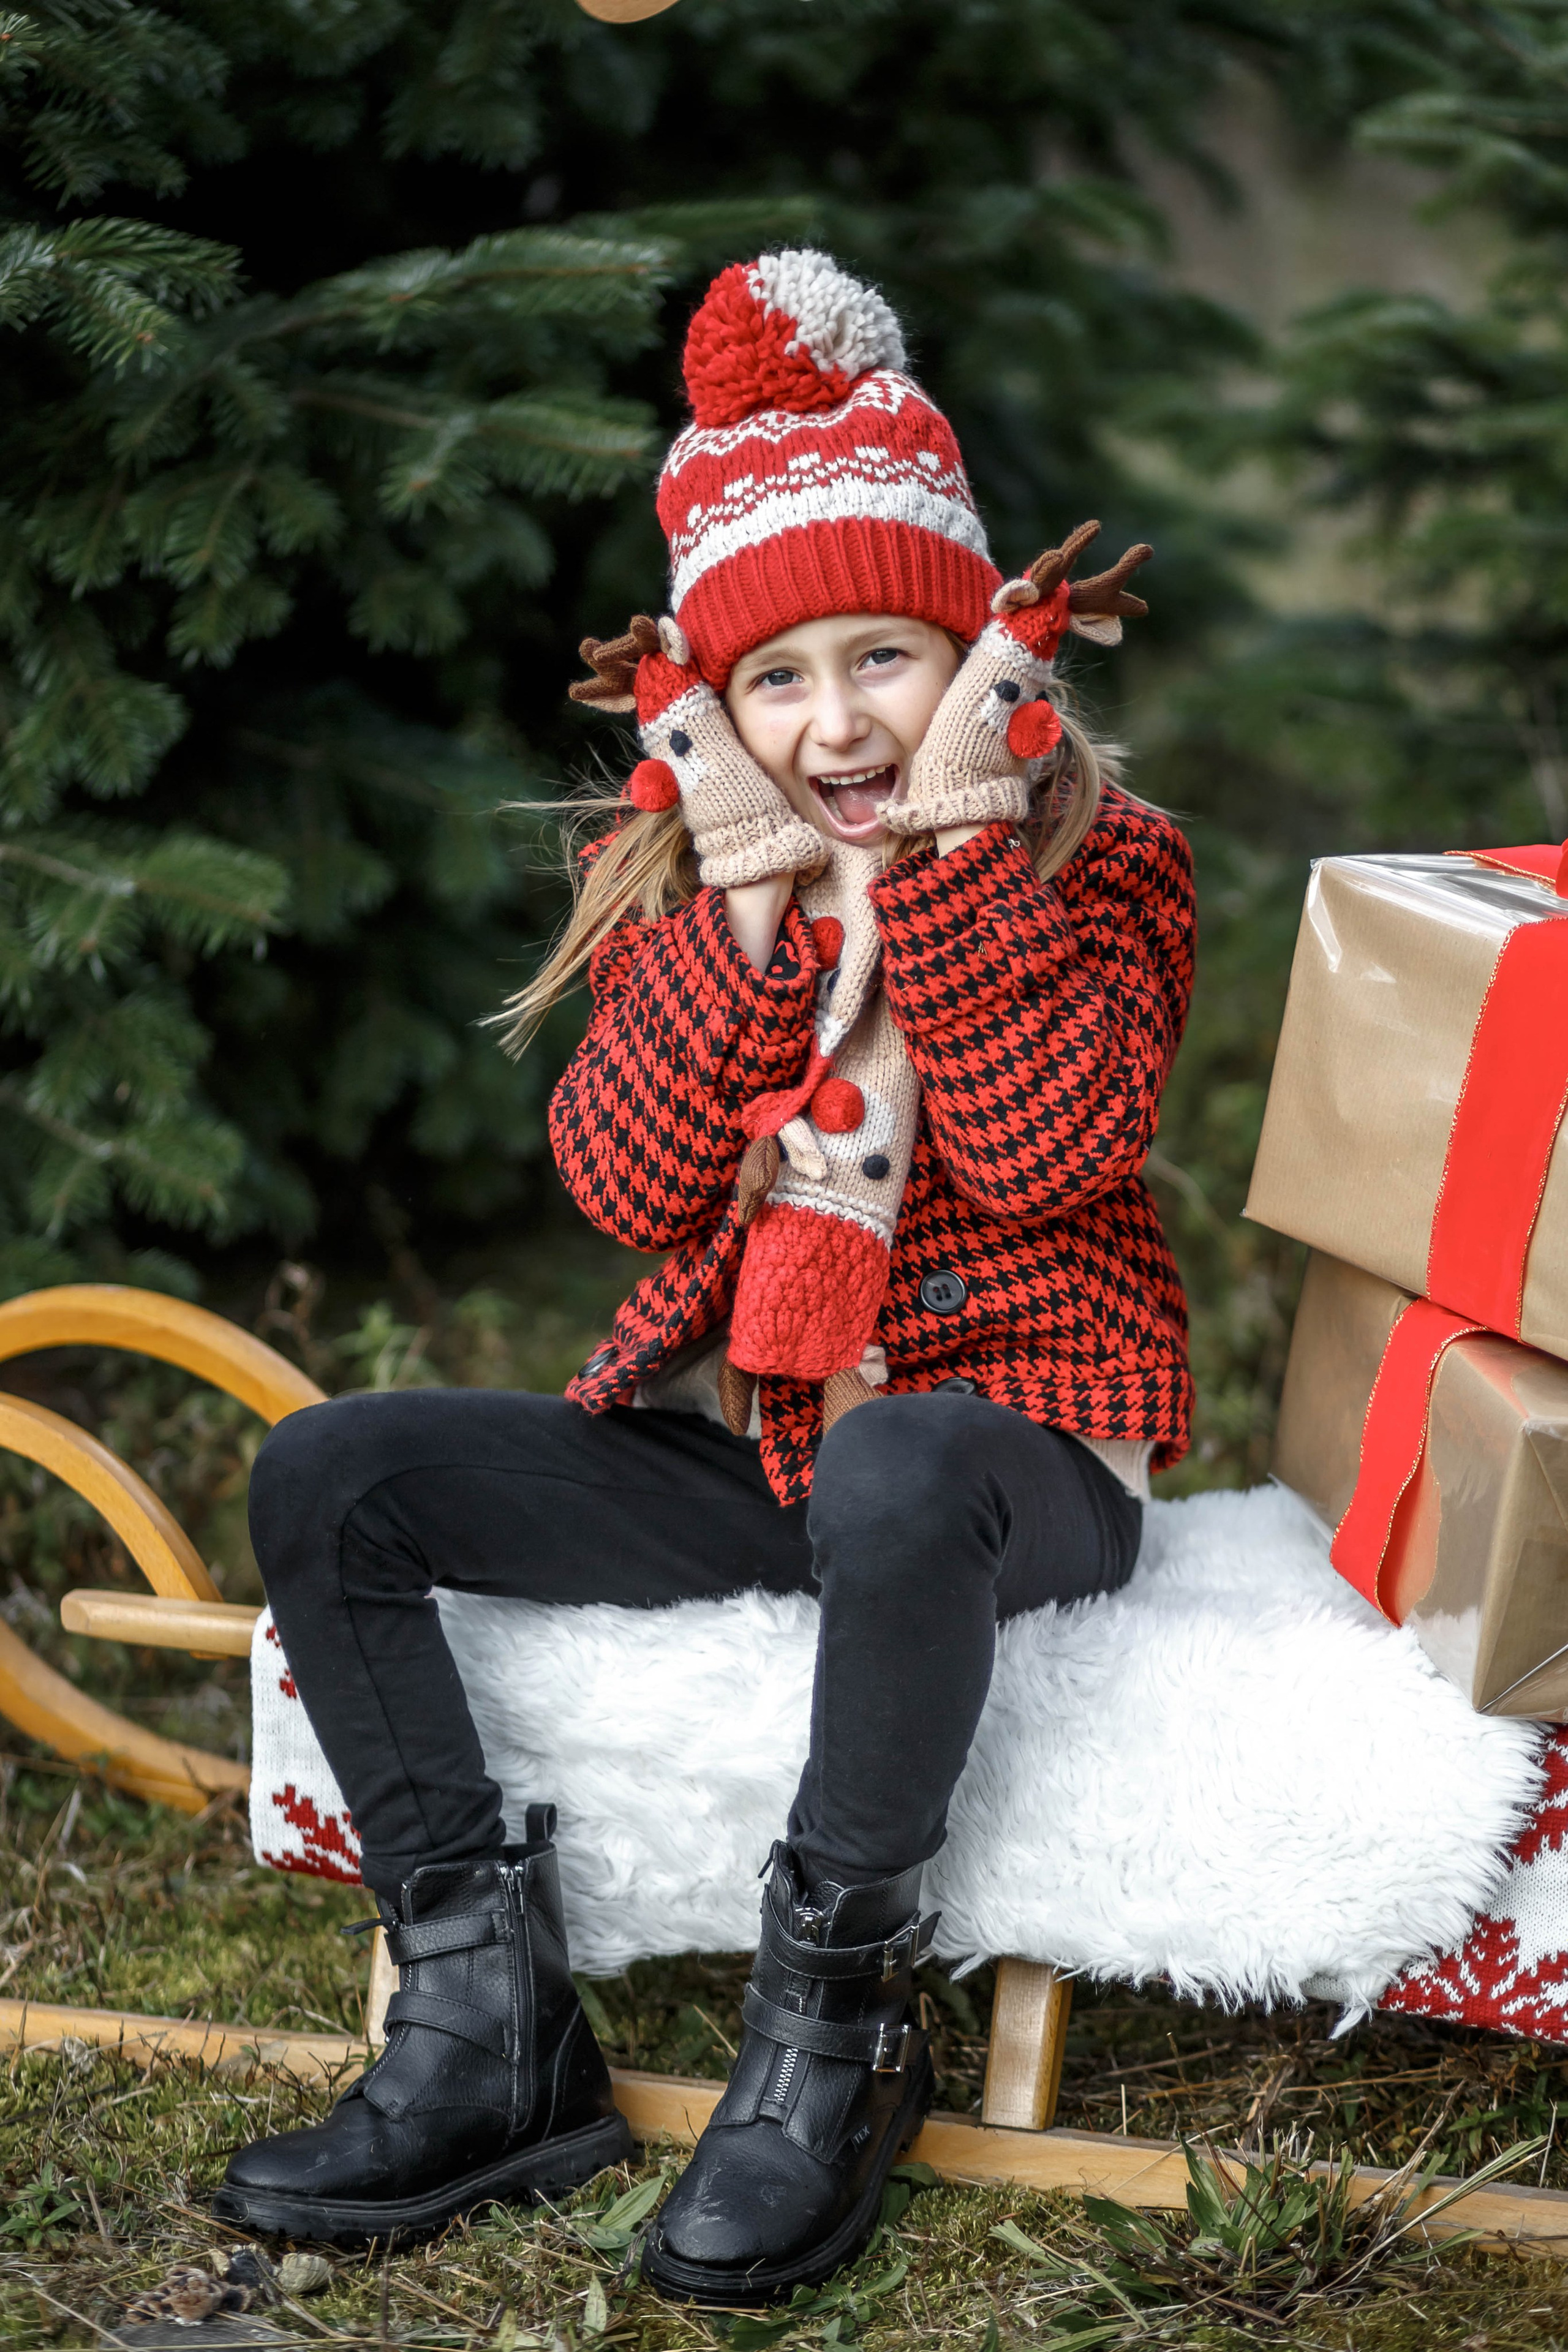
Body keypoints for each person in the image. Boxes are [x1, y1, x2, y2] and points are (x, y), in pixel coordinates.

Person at [216, 251, 1196, 2303]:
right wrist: (750, 923)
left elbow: (1042, 1155)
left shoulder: (1101, 859)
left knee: (902, 1470)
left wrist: (928, 870)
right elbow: (632, 1178)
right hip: (763, 1464)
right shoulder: (686, 873)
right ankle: (488, 2023)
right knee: (337, 1470)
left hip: (1004, 1468)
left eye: (883, 660)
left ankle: (829, 2034)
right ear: (714, 704)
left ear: (977, 659)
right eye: (778, 678)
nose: (836, 721)